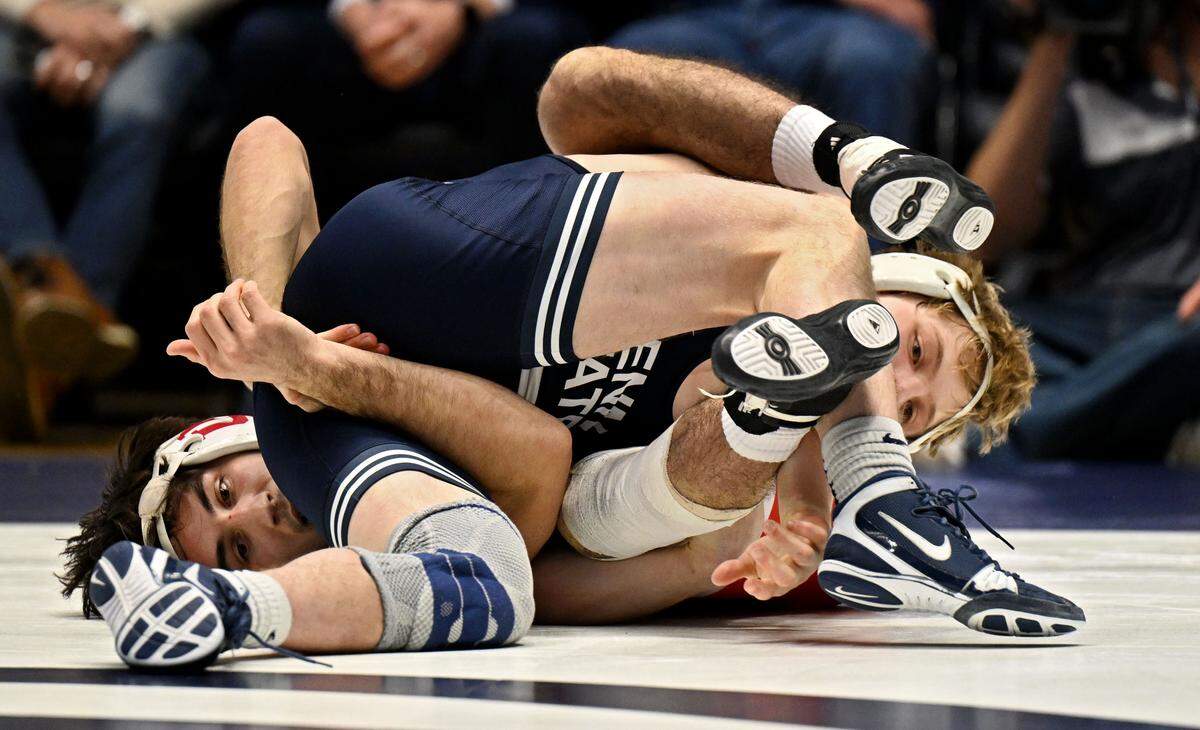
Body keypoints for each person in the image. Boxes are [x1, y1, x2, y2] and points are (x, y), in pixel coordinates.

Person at [63, 48, 1079, 670]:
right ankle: (855, 178)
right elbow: (536, 467)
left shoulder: (356, 482)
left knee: (638, 512)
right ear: (901, 277)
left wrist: (276, 341)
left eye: (907, 411)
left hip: (587, 441)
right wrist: (283, 351)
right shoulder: (772, 225)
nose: (257, 516)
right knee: (791, 231)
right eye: (912, 350)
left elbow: (543, 513)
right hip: (466, 290)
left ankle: (805, 445)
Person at [966, 1, 1200, 461]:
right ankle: (1151, 425)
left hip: (1182, 320)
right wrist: (1054, 37)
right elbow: (979, 233)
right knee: (977, 339)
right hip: (1080, 321)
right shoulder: (1092, 68)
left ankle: (1015, 432)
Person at [0, 0, 224, 409]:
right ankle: (74, 306)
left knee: (138, 112)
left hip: (156, 31)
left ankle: (49, 318)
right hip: (21, 26)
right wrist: (40, 12)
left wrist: (127, 24)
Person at [609, 0, 936, 144]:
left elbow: (913, 15)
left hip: (832, 19)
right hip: (708, 17)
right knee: (626, 62)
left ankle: (873, 264)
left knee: (868, 61)